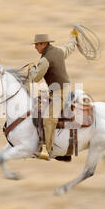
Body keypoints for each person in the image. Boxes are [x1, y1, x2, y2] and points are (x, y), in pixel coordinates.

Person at [28, 29, 78, 160]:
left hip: (59, 92)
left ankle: (48, 151)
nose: (35, 47)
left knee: (49, 119)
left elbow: (35, 78)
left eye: (37, 44)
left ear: (44, 44)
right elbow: (70, 47)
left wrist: (32, 68)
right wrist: (73, 36)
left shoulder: (45, 60)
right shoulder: (59, 51)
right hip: (61, 89)